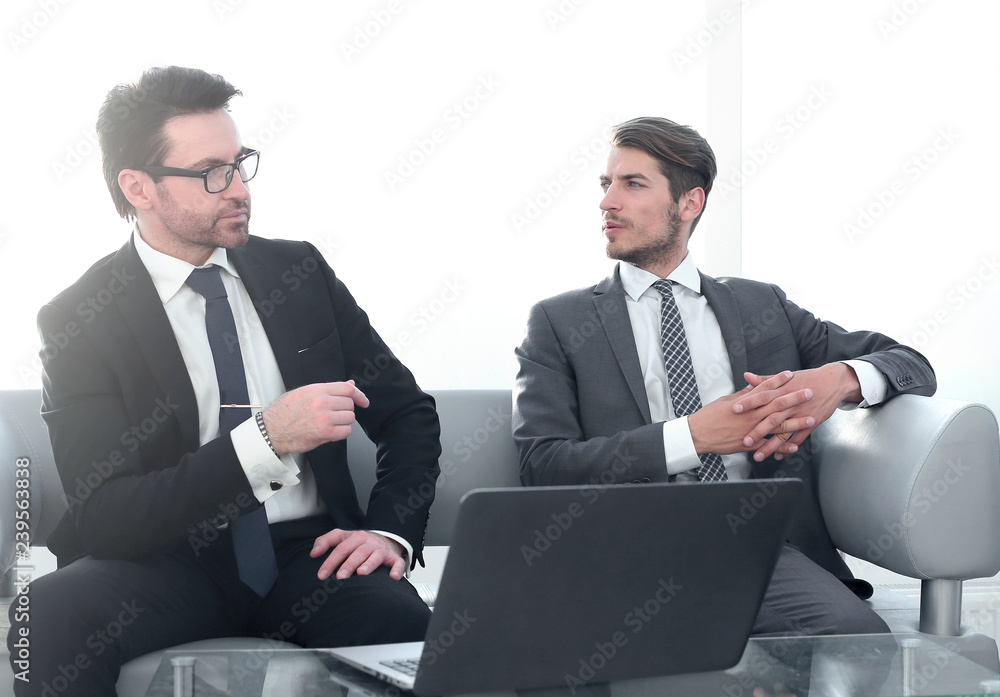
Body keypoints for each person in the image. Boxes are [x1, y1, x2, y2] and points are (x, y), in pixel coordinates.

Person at [8, 66, 441, 695]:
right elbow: (106, 514)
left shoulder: (300, 271)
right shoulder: (80, 317)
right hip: (165, 565)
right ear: (139, 187)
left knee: (401, 617)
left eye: (241, 163)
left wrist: (390, 533)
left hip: (309, 556)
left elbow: (407, 415)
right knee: (48, 612)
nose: (239, 188)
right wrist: (266, 439)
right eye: (212, 172)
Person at [512, 116, 936, 638]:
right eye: (606, 184)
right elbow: (542, 465)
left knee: (854, 635)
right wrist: (691, 437)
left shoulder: (761, 305)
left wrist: (839, 380)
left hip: (755, 547)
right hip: (623, 548)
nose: (607, 202)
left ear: (690, 203)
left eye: (632, 184)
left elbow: (910, 364)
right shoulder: (560, 322)